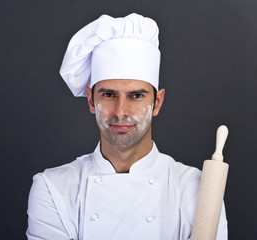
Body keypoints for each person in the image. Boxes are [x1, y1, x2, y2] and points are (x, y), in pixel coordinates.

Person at [26, 13, 228, 240]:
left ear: (157, 103)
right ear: (91, 100)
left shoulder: (199, 190)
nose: (120, 111)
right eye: (109, 94)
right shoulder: (53, 189)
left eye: (136, 96)